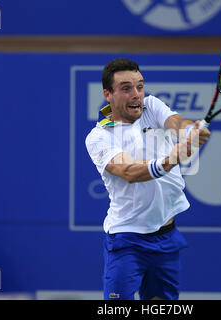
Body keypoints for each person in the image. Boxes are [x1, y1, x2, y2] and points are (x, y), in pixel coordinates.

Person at [85, 57, 210, 300]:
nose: (136, 94)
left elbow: (175, 122)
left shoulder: (151, 107)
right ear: (108, 95)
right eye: (126, 88)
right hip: (127, 241)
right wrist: (172, 158)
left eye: (140, 86)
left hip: (166, 236)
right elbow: (129, 172)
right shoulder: (98, 138)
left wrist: (188, 132)